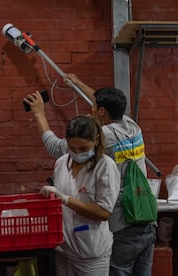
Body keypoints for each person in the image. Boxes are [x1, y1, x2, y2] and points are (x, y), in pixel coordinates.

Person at [24, 77, 156, 276]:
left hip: (123, 223)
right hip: (146, 218)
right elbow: (104, 103)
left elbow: (54, 147)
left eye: (94, 106)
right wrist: (77, 83)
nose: (92, 109)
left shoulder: (104, 140)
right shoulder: (131, 126)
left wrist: (39, 114)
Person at [39, 115, 120, 276]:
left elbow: (103, 212)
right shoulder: (62, 163)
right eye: (72, 148)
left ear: (96, 140)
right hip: (64, 249)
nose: (77, 153)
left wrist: (66, 199)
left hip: (91, 252)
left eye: (83, 148)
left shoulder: (105, 167)